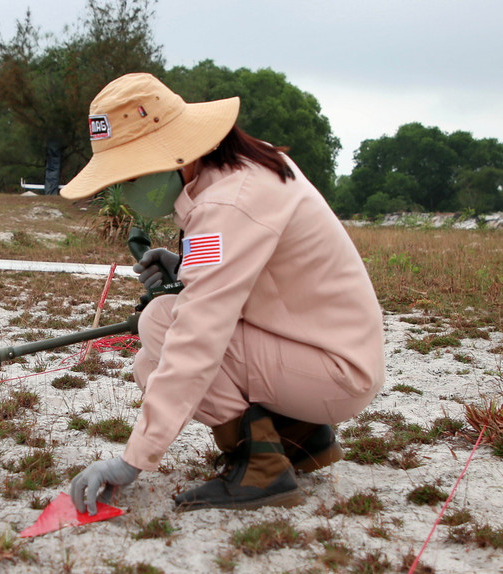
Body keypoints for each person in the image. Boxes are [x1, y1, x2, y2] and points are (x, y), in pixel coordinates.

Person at [62, 73, 385, 514]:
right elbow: (260, 269)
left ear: (167, 154)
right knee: (153, 344)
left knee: (162, 326)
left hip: (335, 370)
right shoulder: (242, 170)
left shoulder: (227, 203)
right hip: (328, 351)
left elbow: (199, 335)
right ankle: (297, 434)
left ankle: (262, 469)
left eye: (130, 173)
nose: (124, 188)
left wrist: (132, 460)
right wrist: (187, 267)